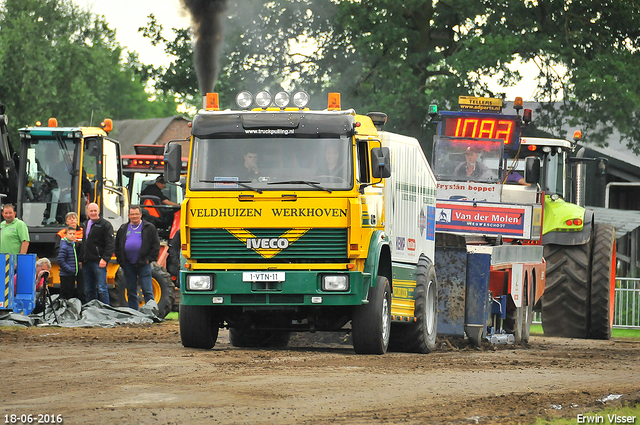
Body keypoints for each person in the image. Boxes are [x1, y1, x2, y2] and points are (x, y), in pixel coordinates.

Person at [115, 205, 160, 310]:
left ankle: (151, 313)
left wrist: (150, 259)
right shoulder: (123, 228)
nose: (134, 216)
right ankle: (134, 314)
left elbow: (156, 245)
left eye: (136, 214)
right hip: (128, 265)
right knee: (131, 291)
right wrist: (121, 261)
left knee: (147, 290)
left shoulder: (149, 227)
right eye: (132, 214)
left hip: (144, 264)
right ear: (129, 215)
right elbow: (117, 246)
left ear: (140, 215)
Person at [82, 203, 114, 304]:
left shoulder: (105, 225)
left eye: (95, 211)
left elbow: (110, 243)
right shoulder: (85, 224)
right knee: (89, 289)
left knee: (102, 289)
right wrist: (81, 259)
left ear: (99, 211)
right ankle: (92, 311)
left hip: (99, 262)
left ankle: (105, 311)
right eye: (91, 211)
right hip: (87, 262)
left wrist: (105, 259)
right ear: (87, 212)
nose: (93, 213)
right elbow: (84, 243)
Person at [57, 227, 79, 300]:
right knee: (65, 294)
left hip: (71, 274)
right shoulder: (65, 246)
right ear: (65, 235)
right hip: (66, 274)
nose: (72, 235)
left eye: (74, 234)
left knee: (70, 293)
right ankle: (62, 308)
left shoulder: (72, 245)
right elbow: (60, 259)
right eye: (70, 234)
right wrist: (69, 269)